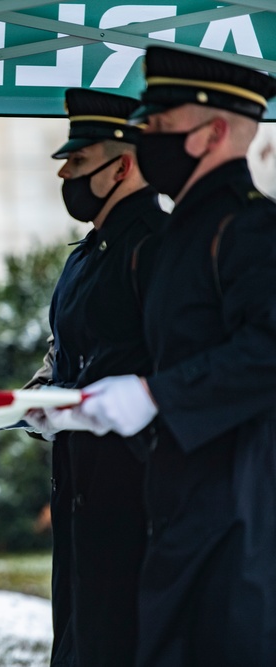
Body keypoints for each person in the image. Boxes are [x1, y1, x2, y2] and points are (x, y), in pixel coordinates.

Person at [61, 46, 276, 666]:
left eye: (158, 125)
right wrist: (84, 402)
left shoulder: (251, 228)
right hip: (174, 494)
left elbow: (266, 350)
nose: (146, 137)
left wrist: (155, 396)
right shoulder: (182, 229)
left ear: (212, 132)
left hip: (240, 500)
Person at [27, 89, 166, 667]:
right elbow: (65, 351)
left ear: (124, 165)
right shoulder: (86, 254)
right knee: (81, 635)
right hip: (80, 480)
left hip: (136, 488)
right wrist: (38, 398)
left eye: (80, 162)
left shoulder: (156, 248)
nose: (65, 172)